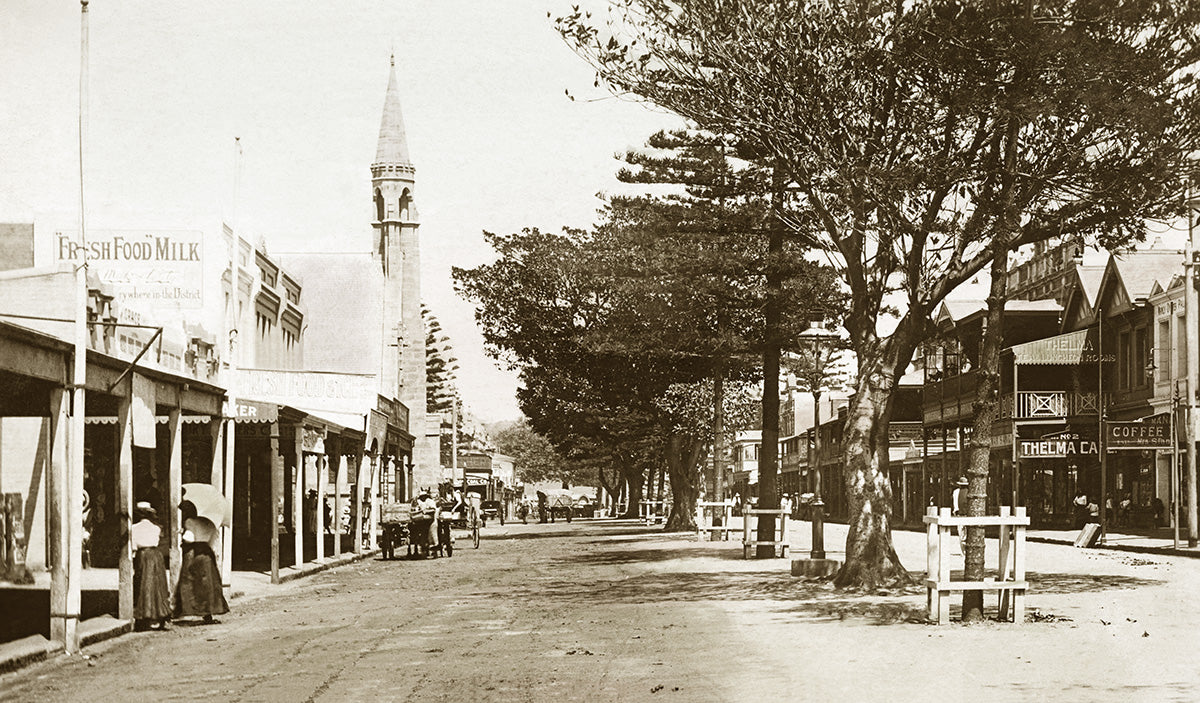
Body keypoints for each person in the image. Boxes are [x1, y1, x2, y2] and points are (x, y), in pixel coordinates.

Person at [174, 501, 229, 624]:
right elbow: (213, 540)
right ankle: (208, 613)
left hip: (194, 552)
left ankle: (184, 610)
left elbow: (188, 539)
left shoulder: (190, 522)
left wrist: (183, 532)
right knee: (208, 583)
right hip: (207, 552)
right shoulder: (210, 523)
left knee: (189, 581)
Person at [131, 501, 171, 631]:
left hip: (143, 556)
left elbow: (133, 547)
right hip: (156, 556)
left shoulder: (134, 528)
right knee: (158, 585)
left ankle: (145, 615)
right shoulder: (156, 528)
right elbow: (157, 541)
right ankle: (160, 614)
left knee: (144, 584)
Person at [952, 477, 967, 553]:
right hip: (968, 515)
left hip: (959, 515)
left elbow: (955, 505)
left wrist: (955, 513)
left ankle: (962, 551)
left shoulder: (956, 492)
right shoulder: (969, 492)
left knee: (961, 534)